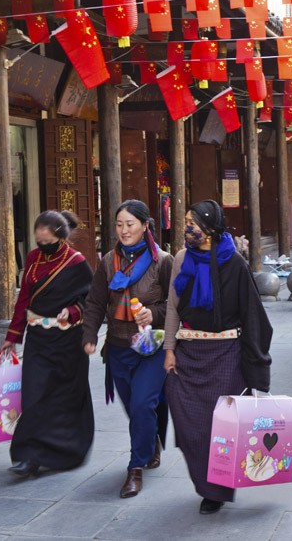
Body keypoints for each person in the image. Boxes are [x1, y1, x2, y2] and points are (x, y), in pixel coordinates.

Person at [163, 200, 273, 515]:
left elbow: (253, 317)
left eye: (192, 223)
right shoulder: (182, 258)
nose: (186, 228)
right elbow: (172, 305)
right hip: (188, 352)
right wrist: (169, 348)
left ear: (210, 228)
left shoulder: (234, 263)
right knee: (190, 423)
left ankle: (217, 489)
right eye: (185, 221)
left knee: (219, 426)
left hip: (226, 353)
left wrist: (256, 367)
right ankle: (205, 481)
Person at [83, 200, 174, 499]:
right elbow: (96, 302)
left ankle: (135, 468)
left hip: (152, 347)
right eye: (119, 225)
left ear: (146, 225)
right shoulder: (109, 261)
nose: (124, 230)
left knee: (141, 404)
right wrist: (90, 335)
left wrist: (153, 313)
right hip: (119, 347)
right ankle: (151, 441)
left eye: (130, 224)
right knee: (134, 406)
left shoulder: (163, 261)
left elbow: (174, 305)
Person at [0, 210, 95, 478]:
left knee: (63, 398)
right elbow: (24, 299)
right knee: (33, 395)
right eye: (39, 242)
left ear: (60, 237)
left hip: (67, 341)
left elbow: (91, 300)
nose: (43, 248)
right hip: (38, 339)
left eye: (48, 243)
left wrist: (74, 311)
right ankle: (27, 456)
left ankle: (66, 451)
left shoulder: (76, 262)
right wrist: (12, 335)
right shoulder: (31, 258)